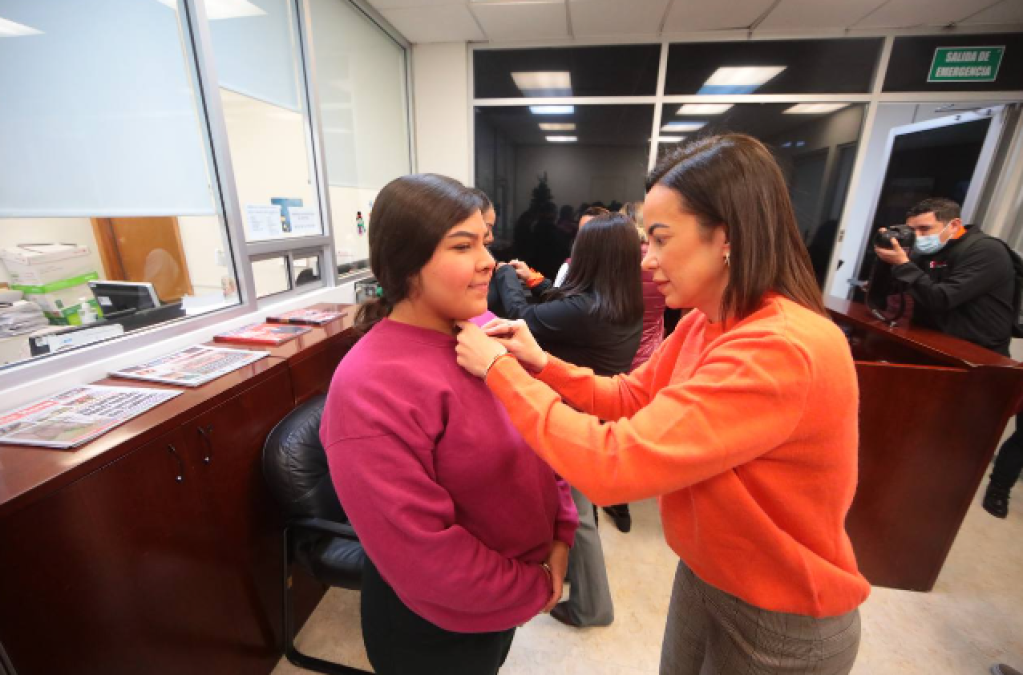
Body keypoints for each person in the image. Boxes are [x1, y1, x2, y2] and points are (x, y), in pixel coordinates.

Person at [455, 134, 869, 674]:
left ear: (726, 237)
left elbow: (612, 464)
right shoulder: (706, 319)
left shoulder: (780, 347)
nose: (645, 261)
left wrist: (499, 371)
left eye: (659, 239)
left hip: (779, 608)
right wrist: (540, 363)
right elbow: (631, 396)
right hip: (709, 572)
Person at [320, 174, 578, 675]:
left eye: (485, 240)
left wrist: (560, 536)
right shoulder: (371, 386)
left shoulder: (481, 335)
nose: (489, 260)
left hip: (505, 595)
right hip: (435, 627)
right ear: (406, 262)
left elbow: (541, 431)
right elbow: (426, 556)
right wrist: (536, 584)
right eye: (464, 245)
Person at [491, 213, 643, 629]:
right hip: (596, 414)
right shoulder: (617, 300)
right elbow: (560, 304)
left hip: (576, 417)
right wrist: (536, 278)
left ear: (590, 255)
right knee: (580, 510)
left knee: (578, 514)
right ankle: (581, 585)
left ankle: (593, 606)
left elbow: (523, 316)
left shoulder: (587, 309)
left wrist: (506, 274)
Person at [870, 198, 1019, 518]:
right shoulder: (926, 253)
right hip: (936, 352)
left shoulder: (985, 251)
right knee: (921, 442)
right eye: (911, 230)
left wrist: (903, 264)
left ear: (954, 225)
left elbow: (943, 298)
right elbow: (889, 297)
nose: (917, 236)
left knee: (956, 453)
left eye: (925, 228)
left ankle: (942, 507)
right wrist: (887, 260)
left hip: (981, 365)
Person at [601, 201, 667, 534]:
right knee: (637, 423)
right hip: (650, 352)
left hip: (618, 350)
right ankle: (633, 492)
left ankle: (617, 499)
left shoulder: (622, 259)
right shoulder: (664, 261)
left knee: (614, 422)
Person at [554, 206, 610, 287]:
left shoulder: (619, 268)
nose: (582, 238)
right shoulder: (570, 267)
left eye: (590, 233)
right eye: (581, 232)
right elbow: (557, 296)